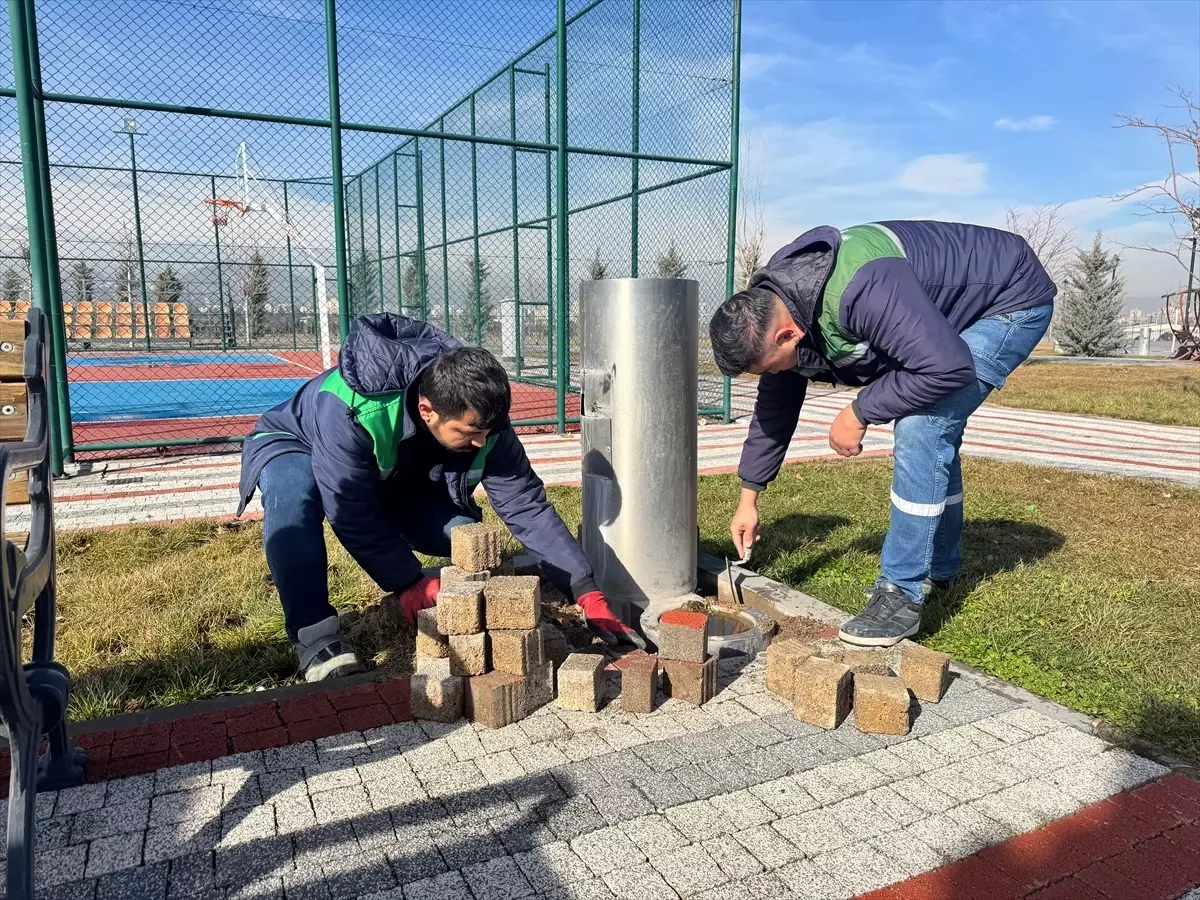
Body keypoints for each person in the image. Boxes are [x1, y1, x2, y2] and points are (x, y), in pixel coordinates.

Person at [237, 313, 643, 681]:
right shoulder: (352, 408)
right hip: (295, 441)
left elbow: (525, 504)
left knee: (462, 533)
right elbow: (350, 508)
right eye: (469, 434)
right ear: (428, 409)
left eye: (487, 431)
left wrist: (585, 589)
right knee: (296, 498)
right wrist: (406, 582)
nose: (482, 441)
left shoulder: (481, 419)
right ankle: (315, 637)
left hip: (389, 469)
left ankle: (408, 565)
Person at [708, 220, 1055, 646]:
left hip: (1007, 299)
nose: (776, 373)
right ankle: (941, 571)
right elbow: (775, 405)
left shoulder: (859, 289)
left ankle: (902, 595)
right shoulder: (780, 303)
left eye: (771, 364)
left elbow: (947, 367)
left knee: (923, 425)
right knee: (933, 432)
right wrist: (749, 497)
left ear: (787, 334)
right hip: (946, 315)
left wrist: (859, 410)